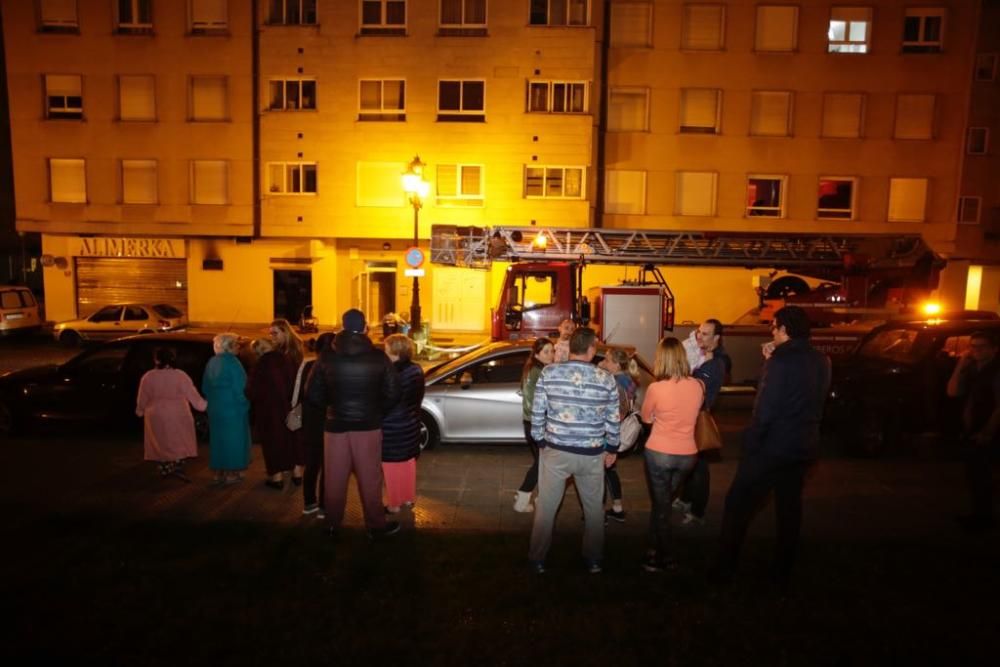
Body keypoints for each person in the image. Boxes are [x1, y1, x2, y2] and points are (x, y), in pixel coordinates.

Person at [711, 306, 831, 590]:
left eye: (774, 327)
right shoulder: (822, 360)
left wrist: (751, 442)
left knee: (738, 504)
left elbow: (766, 407)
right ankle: (783, 569)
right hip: (804, 446)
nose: (771, 332)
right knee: (789, 508)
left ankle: (723, 569)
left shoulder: (779, 362)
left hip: (773, 446)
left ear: (785, 330)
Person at [528, 327, 620, 574]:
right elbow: (613, 419)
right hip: (591, 454)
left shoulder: (549, 373)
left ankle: (537, 559)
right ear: (591, 349)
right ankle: (594, 560)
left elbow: (538, 413)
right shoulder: (606, 379)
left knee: (546, 507)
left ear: (572, 348)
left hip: (556, 451)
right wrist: (611, 447)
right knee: (593, 510)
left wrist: (540, 440)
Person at [305, 309, 401, 539]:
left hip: (335, 425)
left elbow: (312, 393)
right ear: (365, 326)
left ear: (343, 326)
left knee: (335, 477)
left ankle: (331, 524)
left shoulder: (326, 356)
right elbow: (394, 392)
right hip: (368, 425)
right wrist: (377, 410)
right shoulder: (378, 357)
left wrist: (332, 405)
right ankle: (375, 526)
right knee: (370, 477)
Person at [640, 337, 704, 572]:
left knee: (661, 505)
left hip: (660, 452)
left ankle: (662, 556)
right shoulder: (698, 386)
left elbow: (646, 418)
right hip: (687, 455)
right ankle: (652, 549)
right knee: (662, 504)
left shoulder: (656, 388)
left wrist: (659, 416)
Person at [675, 318, 731, 526]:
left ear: (717, 338)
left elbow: (696, 388)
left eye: (706, 334)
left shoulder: (716, 362)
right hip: (691, 415)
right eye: (699, 332)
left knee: (699, 465)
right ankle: (686, 499)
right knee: (690, 462)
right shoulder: (702, 356)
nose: (699, 336)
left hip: (699, 416)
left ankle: (698, 511)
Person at [946, 330, 1000, 533]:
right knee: (975, 475)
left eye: (981, 346)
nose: (976, 350)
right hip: (972, 428)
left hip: (988, 431)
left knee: (983, 475)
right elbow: (952, 391)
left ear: (994, 349)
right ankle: (979, 515)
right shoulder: (973, 370)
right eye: (973, 346)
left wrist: (988, 431)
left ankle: (984, 519)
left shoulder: (995, 372)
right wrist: (961, 364)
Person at [135, 347, 207, 482]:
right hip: (178, 412)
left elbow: (142, 397)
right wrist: (203, 405)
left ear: (156, 360)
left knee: (160, 441)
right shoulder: (180, 375)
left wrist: (140, 410)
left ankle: (165, 467)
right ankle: (177, 466)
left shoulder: (149, 376)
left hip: (155, 413)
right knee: (178, 440)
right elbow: (193, 395)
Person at [381, 334, 425, 513]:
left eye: (386, 348)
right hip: (411, 422)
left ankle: (394, 504)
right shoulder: (416, 370)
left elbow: (386, 400)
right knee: (408, 463)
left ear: (395, 351)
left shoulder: (392, 373)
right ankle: (408, 498)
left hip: (392, 426)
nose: (384, 351)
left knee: (391, 465)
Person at [246, 333, 297, 490]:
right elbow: (293, 383)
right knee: (287, 440)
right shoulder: (286, 360)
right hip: (286, 407)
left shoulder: (260, 365)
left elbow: (251, 391)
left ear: (259, 351)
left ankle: (276, 477)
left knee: (271, 443)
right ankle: (291, 471)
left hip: (267, 411)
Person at [202, 333, 252, 485]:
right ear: (229, 346)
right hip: (233, 409)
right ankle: (231, 473)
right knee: (234, 441)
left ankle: (219, 473)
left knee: (218, 441)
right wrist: (246, 404)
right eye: (236, 344)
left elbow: (205, 387)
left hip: (215, 408)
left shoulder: (212, 362)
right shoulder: (233, 363)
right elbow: (241, 389)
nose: (238, 347)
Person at [513, 337, 555, 512]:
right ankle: (522, 498)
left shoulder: (533, 368)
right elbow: (534, 401)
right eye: (546, 351)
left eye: (552, 350)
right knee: (542, 463)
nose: (551, 354)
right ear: (537, 353)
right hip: (537, 424)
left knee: (542, 463)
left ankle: (540, 498)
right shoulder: (539, 372)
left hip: (530, 423)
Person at [599, 348, 640, 523]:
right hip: (618, 429)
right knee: (610, 470)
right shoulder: (628, 379)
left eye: (607, 360)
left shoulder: (615, 382)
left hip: (610, 430)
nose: (604, 362)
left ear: (616, 364)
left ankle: (598, 514)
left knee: (599, 473)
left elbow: (618, 410)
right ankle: (617, 508)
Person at [301, 332, 335, 516]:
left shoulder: (308, 365)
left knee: (312, 463)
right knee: (327, 464)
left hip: (310, 421)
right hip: (327, 420)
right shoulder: (332, 366)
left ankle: (309, 502)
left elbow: (301, 393)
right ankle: (324, 505)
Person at [270, 318, 307, 483]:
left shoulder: (287, 352)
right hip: (292, 398)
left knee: (292, 433)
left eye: (275, 333)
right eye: (271, 333)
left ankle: (295, 470)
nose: (272, 336)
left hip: (289, 398)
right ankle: (296, 470)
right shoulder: (292, 349)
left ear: (285, 332)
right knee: (294, 434)